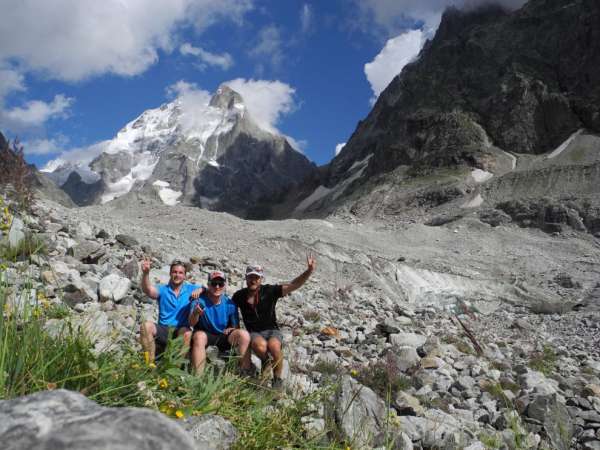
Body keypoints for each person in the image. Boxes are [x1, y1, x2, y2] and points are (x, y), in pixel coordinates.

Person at [232, 254, 316, 389]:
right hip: (254, 332)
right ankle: (266, 362)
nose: (253, 280)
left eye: (256, 277)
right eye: (250, 277)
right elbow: (226, 307)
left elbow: (293, 285)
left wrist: (309, 271)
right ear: (246, 278)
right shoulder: (239, 296)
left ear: (261, 279)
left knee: (275, 348)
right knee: (260, 346)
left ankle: (277, 381)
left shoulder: (269, 291)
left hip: (272, 330)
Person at [140, 258, 203, 363]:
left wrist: (201, 289)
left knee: (186, 332)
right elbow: (148, 290)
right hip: (164, 328)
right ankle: (149, 364)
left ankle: (176, 368)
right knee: (145, 326)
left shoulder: (191, 289)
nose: (177, 275)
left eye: (180, 273)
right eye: (174, 272)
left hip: (181, 329)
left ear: (184, 276)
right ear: (170, 273)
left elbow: (208, 288)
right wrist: (146, 273)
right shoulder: (163, 289)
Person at [189, 270, 252, 375]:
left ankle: (245, 373)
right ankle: (197, 377)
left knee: (244, 335)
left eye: (220, 284)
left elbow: (235, 326)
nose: (217, 287)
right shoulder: (199, 301)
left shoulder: (230, 304)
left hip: (223, 335)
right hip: (206, 335)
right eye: (214, 283)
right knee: (199, 336)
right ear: (208, 284)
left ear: (224, 285)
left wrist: (233, 329)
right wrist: (196, 313)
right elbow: (191, 323)